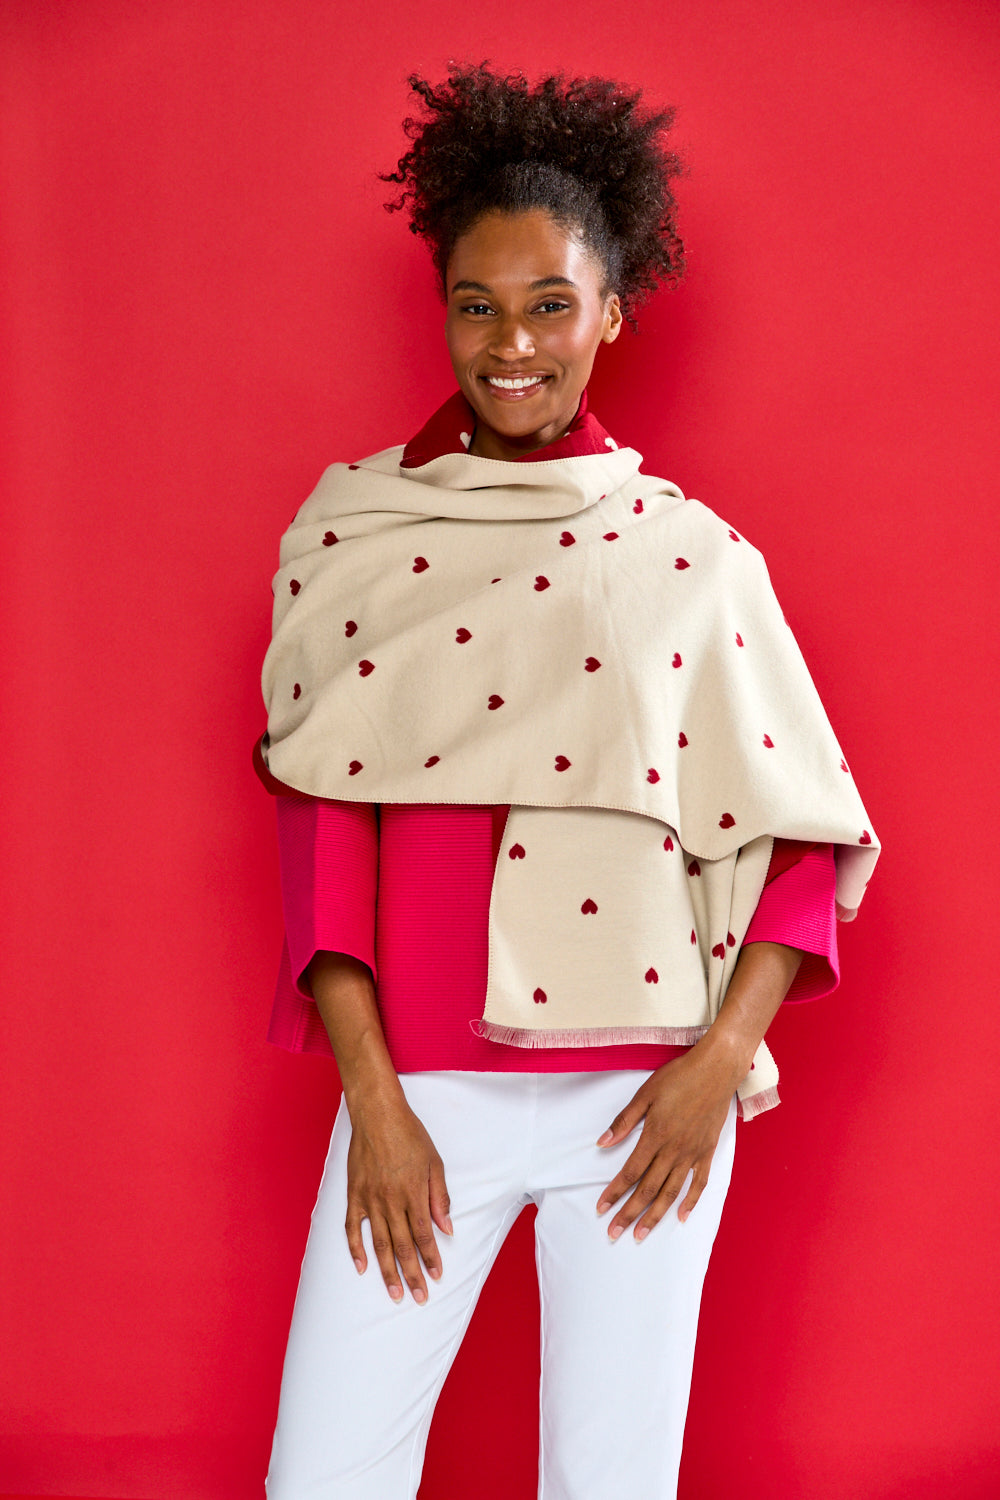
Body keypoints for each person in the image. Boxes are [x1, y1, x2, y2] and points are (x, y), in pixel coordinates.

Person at [256, 64, 879, 1499]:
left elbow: (794, 832)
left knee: (614, 1480)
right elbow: (321, 843)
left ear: (611, 312)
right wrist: (377, 1102)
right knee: (325, 1475)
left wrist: (713, 1073)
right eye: (479, 304)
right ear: (444, 309)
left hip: (645, 1097)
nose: (514, 343)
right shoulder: (353, 534)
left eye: (551, 304)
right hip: (421, 1095)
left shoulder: (690, 557)